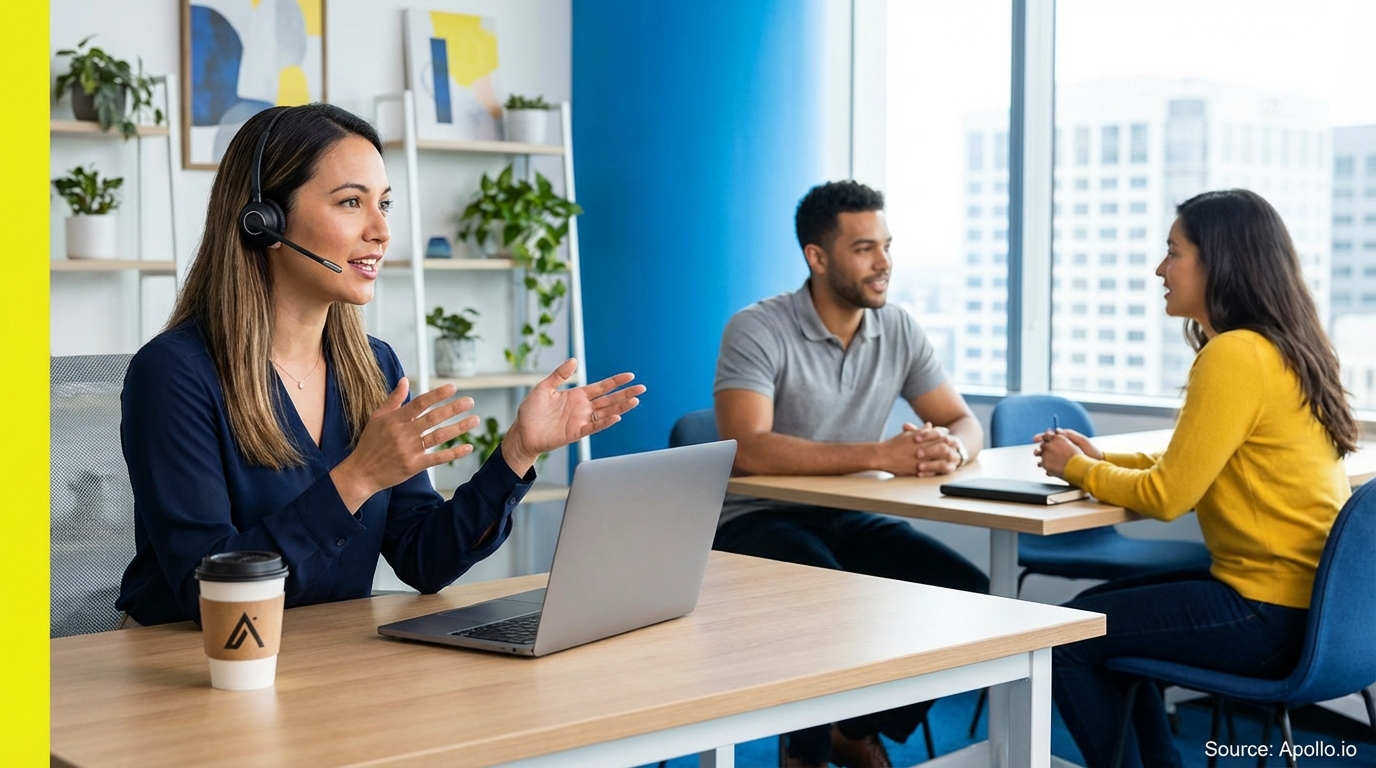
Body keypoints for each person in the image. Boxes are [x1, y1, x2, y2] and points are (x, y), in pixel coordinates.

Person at [116, 104, 644, 627]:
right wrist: (358, 477)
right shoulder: (174, 374)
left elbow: (424, 558)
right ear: (264, 222)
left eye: (384, 205)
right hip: (195, 673)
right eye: (351, 202)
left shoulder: (372, 366)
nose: (381, 231)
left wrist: (516, 453)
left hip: (329, 666)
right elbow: (205, 590)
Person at [1035, 189, 1359, 768]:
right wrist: (1094, 466)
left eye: (1172, 252)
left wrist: (1079, 469)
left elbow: (1167, 497)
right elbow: (1191, 468)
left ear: (1219, 260)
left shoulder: (1234, 355)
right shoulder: (1285, 349)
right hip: (1319, 611)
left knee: (1064, 638)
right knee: (1088, 618)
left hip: (1266, 613)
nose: (1160, 269)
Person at [713, 180, 990, 768]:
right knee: (832, 597)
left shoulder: (899, 329)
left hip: (849, 516)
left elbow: (963, 420)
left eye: (887, 245)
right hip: (755, 521)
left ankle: (855, 727)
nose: (884, 262)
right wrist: (879, 456)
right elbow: (747, 449)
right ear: (817, 258)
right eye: (865, 248)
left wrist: (952, 450)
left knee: (967, 592)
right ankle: (804, 752)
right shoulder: (758, 328)